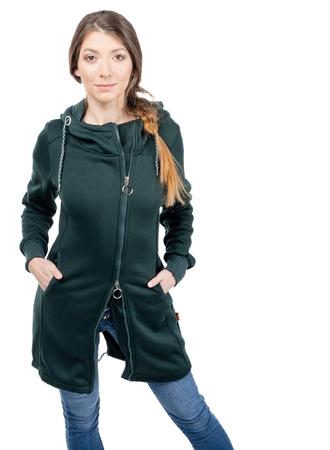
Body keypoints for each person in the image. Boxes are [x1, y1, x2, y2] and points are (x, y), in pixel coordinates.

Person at [19, 10, 234, 450]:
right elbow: (36, 207)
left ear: (133, 63)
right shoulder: (56, 139)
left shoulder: (161, 133)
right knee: (81, 423)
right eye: (92, 57)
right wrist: (34, 256)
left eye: (117, 56)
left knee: (193, 415)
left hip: (142, 297)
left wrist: (176, 265)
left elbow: (180, 209)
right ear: (75, 66)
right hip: (69, 301)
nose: (105, 70)